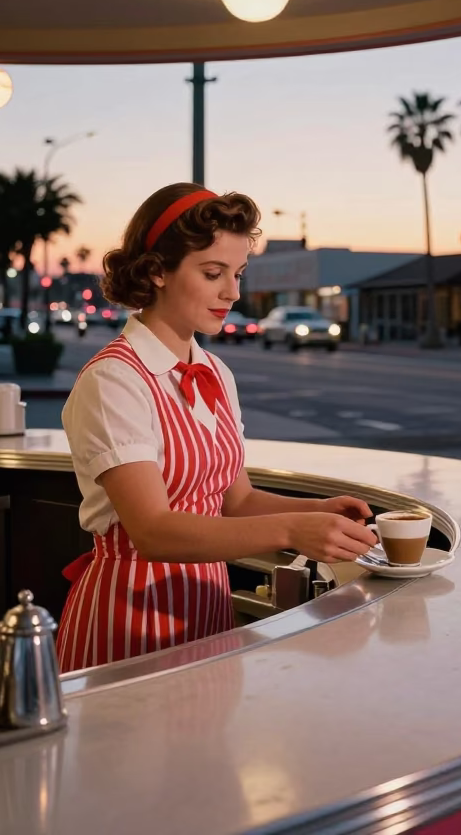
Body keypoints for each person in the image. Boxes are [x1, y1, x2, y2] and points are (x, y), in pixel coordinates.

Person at [56, 183, 377, 671]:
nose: (234, 293)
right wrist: (294, 529)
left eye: (238, 273)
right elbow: (154, 531)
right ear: (157, 271)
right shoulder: (114, 380)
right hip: (129, 617)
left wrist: (319, 512)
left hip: (207, 607)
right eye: (213, 273)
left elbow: (236, 501)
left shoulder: (213, 372)